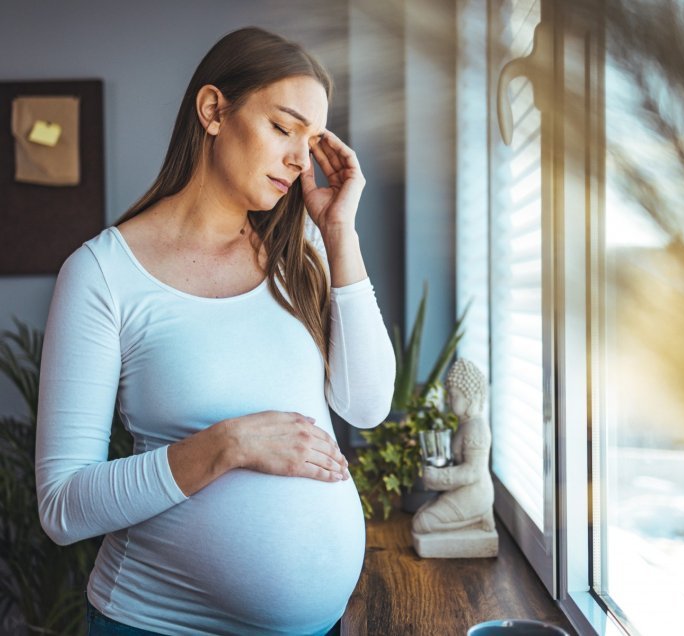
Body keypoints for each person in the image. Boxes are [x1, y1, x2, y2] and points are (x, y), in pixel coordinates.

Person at [34, 26, 395, 636]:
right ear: (213, 111)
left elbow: (366, 406)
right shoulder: (102, 274)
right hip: (156, 625)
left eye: (310, 142)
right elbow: (63, 506)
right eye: (283, 128)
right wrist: (227, 445)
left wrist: (339, 233)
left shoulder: (300, 249)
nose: (299, 161)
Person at [413, 358, 496, 536]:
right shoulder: (464, 424)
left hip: (475, 494)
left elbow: (473, 472)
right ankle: (475, 519)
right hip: (463, 489)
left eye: (453, 395)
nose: (448, 401)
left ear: (470, 397)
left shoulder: (477, 429)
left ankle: (477, 519)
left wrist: (439, 476)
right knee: (419, 515)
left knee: (422, 523)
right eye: (448, 395)